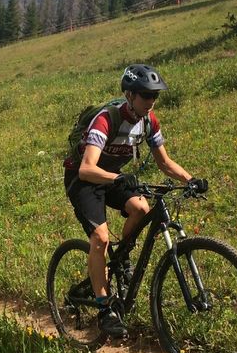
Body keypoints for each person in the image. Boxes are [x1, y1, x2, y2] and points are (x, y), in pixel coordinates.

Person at [62, 64, 207, 339]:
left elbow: (164, 162)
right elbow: (86, 168)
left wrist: (190, 179)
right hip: (83, 179)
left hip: (114, 178)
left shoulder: (149, 121)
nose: (151, 101)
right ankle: (105, 310)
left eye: (155, 96)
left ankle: (120, 259)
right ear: (129, 95)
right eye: (145, 95)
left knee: (141, 207)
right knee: (100, 239)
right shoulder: (107, 119)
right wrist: (117, 178)